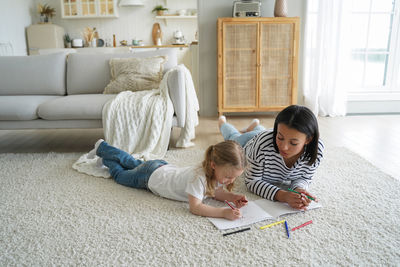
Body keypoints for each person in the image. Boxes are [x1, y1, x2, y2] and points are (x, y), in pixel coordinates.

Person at [88, 139, 248, 220]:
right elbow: (196, 207)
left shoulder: (216, 173)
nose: (229, 181)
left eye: (234, 178)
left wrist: (232, 198)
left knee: (131, 163)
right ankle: (105, 155)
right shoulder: (198, 178)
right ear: (213, 165)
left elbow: (215, 192)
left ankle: (105, 153)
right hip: (150, 178)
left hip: (160, 168)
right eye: (228, 177)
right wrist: (223, 213)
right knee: (120, 176)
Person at [218, 105, 324, 210]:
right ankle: (222, 123)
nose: (284, 147)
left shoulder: (316, 150)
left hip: (263, 135)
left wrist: (299, 190)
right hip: (248, 143)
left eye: (293, 143)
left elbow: (304, 178)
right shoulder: (262, 145)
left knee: (261, 132)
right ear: (276, 131)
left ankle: (254, 126)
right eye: (280, 137)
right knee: (233, 136)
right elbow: (252, 181)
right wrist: (283, 196)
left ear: (308, 140)